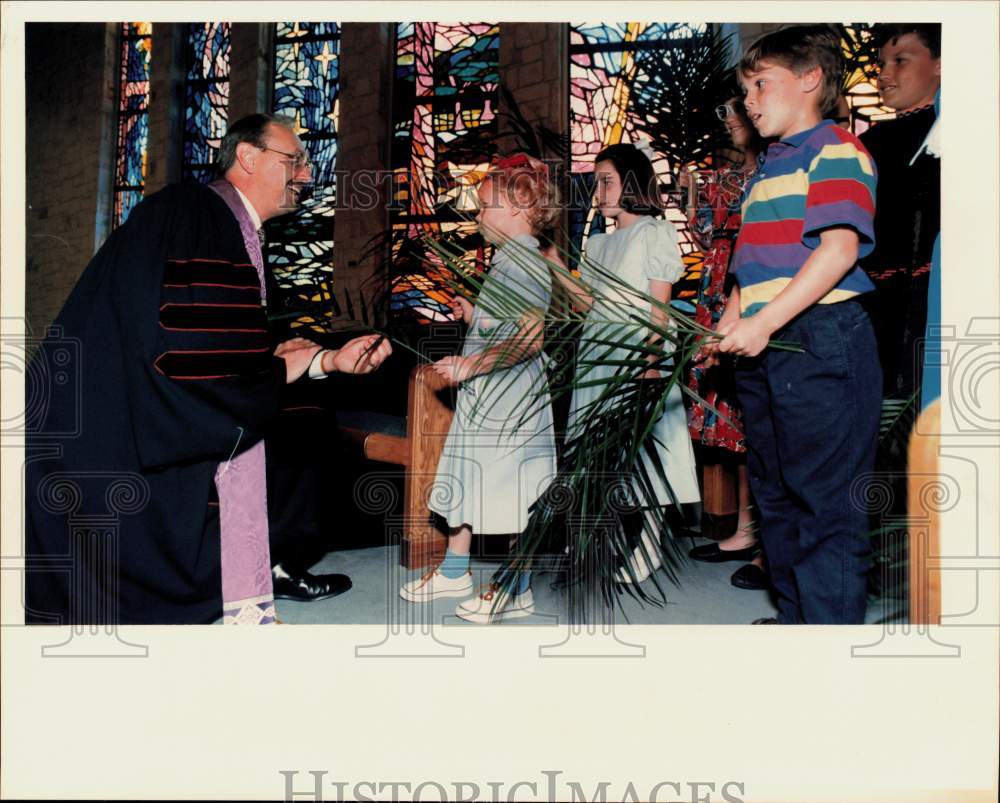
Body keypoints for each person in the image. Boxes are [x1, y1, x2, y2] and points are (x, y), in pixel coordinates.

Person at [25, 114, 391, 625]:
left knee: (305, 418)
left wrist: (310, 361)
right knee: (298, 427)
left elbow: (209, 343)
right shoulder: (202, 220)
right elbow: (202, 361)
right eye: (295, 161)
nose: (307, 175)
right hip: (114, 423)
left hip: (110, 403)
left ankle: (268, 563)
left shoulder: (210, 218)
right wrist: (299, 366)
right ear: (248, 157)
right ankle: (256, 568)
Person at [703, 25, 882, 624]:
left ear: (810, 80)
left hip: (819, 338)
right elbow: (751, 265)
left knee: (825, 501)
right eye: (744, 89)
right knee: (775, 493)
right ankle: (799, 620)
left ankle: (828, 644)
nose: (748, 101)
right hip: (766, 343)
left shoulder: (834, 148)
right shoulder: (768, 167)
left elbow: (837, 252)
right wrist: (730, 323)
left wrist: (765, 322)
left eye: (759, 84)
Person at [398, 153, 558, 623]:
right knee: (471, 479)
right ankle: (454, 569)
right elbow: (509, 325)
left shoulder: (525, 264)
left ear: (514, 210)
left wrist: (471, 364)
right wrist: (474, 315)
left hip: (511, 399)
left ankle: (517, 585)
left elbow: (531, 337)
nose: (477, 215)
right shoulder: (511, 261)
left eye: (484, 206)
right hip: (492, 393)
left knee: (510, 489)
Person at [552, 142, 701, 585]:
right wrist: (555, 264)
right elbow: (586, 304)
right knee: (600, 448)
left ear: (632, 182)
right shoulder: (598, 243)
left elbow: (660, 307)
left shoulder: (653, 232)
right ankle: (601, 537)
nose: (599, 191)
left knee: (645, 448)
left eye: (607, 181)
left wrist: (652, 362)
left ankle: (651, 542)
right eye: (596, 182)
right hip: (598, 354)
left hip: (637, 351)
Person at [684, 95, 767, 591]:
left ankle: (765, 537)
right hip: (717, 292)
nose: (732, 118)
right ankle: (742, 528)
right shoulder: (729, 178)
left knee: (757, 421)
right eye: (728, 109)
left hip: (752, 293)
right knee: (732, 425)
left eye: (738, 108)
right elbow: (704, 235)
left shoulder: (776, 170)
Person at [858, 23, 941, 400]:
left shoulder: (956, 133)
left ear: (940, 65)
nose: (884, 74)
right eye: (881, 63)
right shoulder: (870, 141)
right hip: (877, 305)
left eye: (900, 61)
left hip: (930, 301)